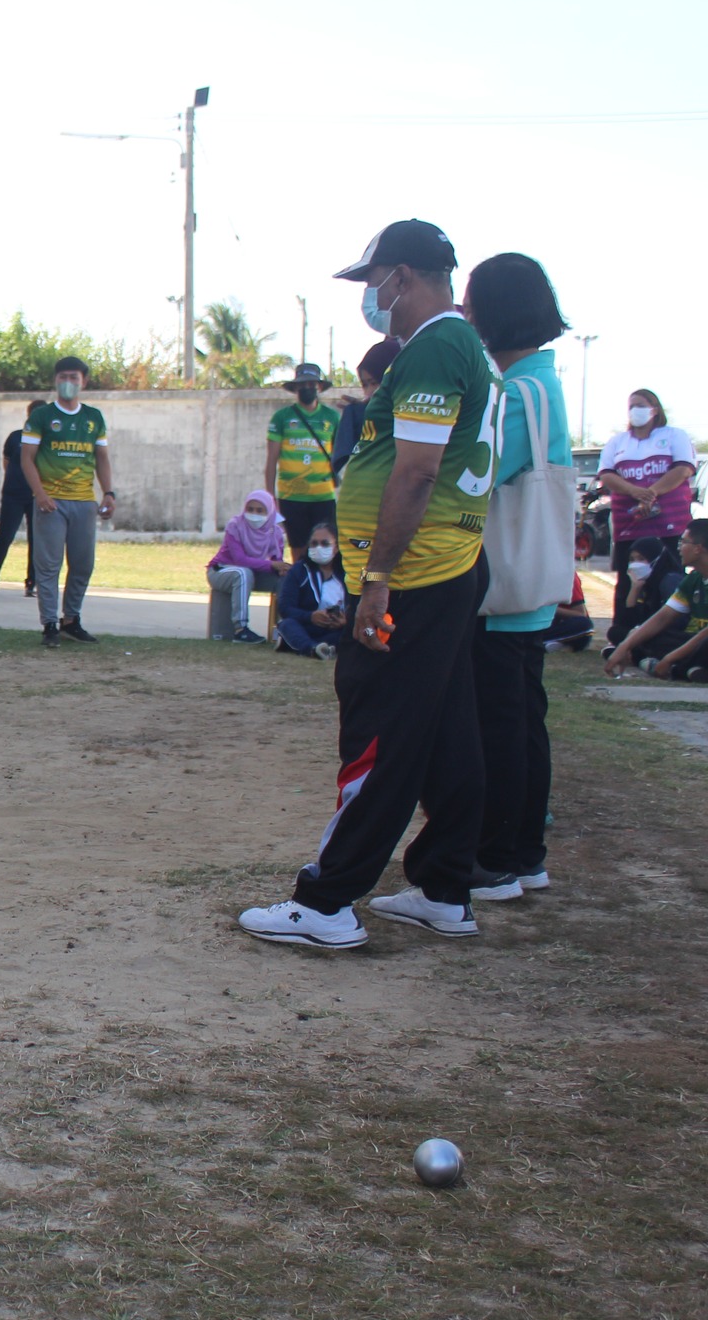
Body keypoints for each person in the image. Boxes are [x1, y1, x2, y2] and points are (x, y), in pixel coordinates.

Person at [239, 219, 495, 949]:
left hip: (413, 575)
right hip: (439, 569)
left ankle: (327, 900)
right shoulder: (452, 346)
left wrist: (376, 579)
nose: (371, 297)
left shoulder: (439, 344)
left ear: (403, 277)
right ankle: (444, 886)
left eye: (373, 282)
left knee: (380, 730)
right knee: (446, 729)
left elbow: (415, 471)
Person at [464, 251, 576, 900]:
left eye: (474, 300)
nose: (468, 312)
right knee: (524, 722)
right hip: (531, 590)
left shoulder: (519, 393)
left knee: (499, 726)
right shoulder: (543, 383)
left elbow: (478, 475)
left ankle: (495, 857)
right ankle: (525, 853)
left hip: (502, 590)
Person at [23, 357, 114, 648]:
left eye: (74, 377)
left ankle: (71, 620)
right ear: (55, 380)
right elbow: (27, 458)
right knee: (48, 566)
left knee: (83, 564)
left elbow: (102, 459)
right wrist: (40, 494)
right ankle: (50, 623)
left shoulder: (94, 418)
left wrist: (109, 493)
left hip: (84, 502)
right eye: (63, 376)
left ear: (84, 381)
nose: (69, 382)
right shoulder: (41, 416)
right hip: (51, 502)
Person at [597, 387, 696, 624]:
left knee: (669, 576)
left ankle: (670, 629)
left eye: (640, 405)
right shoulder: (617, 442)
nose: (635, 411)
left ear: (654, 409)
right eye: (631, 406)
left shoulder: (674, 435)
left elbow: (683, 469)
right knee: (627, 577)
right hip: (629, 524)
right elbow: (607, 475)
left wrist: (652, 492)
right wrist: (634, 491)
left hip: (668, 524)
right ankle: (623, 631)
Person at [605, 520, 708, 682]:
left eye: (684, 542)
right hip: (693, 642)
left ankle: (675, 668)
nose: (679, 547)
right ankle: (691, 669)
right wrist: (626, 645)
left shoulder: (670, 579)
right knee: (645, 636)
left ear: (698, 548)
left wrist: (670, 658)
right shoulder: (694, 579)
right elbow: (663, 617)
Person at [265, 363, 341, 556]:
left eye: (311, 384)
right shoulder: (281, 417)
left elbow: (341, 454)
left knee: (325, 551)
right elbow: (271, 461)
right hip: (291, 496)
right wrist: (271, 497)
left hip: (323, 496)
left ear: (320, 387)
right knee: (298, 552)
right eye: (302, 385)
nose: (306, 388)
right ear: (295, 389)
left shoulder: (331, 417)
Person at [0, 400, 45, 598]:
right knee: (4, 538)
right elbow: (7, 464)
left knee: (36, 540)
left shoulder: (48, 439)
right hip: (13, 495)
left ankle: (32, 583)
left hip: (36, 496)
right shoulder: (15, 437)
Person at [207, 490, 289, 644]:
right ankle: (241, 630)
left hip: (251, 573)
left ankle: (283, 632)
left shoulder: (275, 531)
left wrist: (281, 568)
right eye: (250, 509)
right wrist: (272, 564)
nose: (254, 514)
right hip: (221, 570)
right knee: (243, 573)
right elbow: (240, 559)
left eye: (260, 510)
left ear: (269, 512)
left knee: (286, 578)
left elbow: (277, 560)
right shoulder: (235, 525)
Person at [275, 523, 348, 659]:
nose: (318, 548)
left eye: (325, 543)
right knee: (287, 625)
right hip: (305, 626)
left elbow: (357, 605)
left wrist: (345, 620)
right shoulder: (298, 571)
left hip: (334, 629)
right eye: (314, 543)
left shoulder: (347, 573)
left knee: (350, 631)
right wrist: (310, 616)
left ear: (337, 547)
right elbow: (285, 608)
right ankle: (313, 649)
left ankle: (309, 646)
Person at [331, 340, 399, 485]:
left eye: (374, 383)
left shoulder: (415, 419)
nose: (369, 392)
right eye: (364, 385)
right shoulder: (361, 416)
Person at [607, 536, 685, 650]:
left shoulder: (669, 580)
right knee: (616, 632)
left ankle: (638, 652)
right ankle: (638, 651)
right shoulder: (646, 582)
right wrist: (635, 588)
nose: (635, 564)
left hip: (670, 633)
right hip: (650, 631)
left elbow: (675, 621)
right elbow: (626, 622)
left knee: (655, 640)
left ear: (657, 558)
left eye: (641, 559)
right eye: (632, 559)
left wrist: (639, 632)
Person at [543, 573, 594, 653]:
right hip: (535, 623)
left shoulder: (568, 575)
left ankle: (541, 642)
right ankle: (546, 643)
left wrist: (548, 609)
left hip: (560, 623)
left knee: (584, 625)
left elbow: (580, 614)